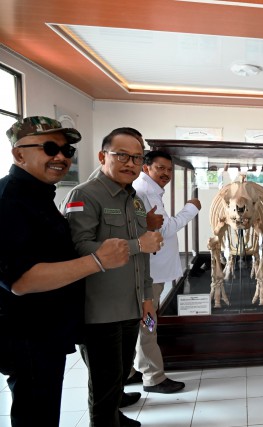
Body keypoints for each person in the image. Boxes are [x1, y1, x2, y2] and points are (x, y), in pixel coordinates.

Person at [0, 116, 129, 427]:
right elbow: (20, 280)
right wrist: (98, 261)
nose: (60, 157)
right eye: (49, 148)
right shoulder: (10, 199)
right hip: (28, 334)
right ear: (19, 154)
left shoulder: (38, 195)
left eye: (67, 150)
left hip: (46, 331)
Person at [63, 127, 163, 427]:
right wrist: (137, 245)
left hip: (130, 307)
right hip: (99, 311)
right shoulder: (84, 195)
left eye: (137, 157)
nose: (130, 163)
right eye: (121, 155)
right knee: (104, 382)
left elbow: (143, 257)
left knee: (119, 374)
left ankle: (115, 417)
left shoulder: (134, 200)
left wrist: (147, 298)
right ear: (102, 156)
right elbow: (78, 248)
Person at [127, 150, 200, 393]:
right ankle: (153, 376)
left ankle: (132, 370)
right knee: (147, 323)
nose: (166, 173)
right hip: (149, 275)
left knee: (143, 321)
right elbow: (165, 229)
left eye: (169, 169)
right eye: (160, 168)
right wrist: (190, 208)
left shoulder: (149, 190)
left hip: (152, 272)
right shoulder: (145, 192)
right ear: (146, 168)